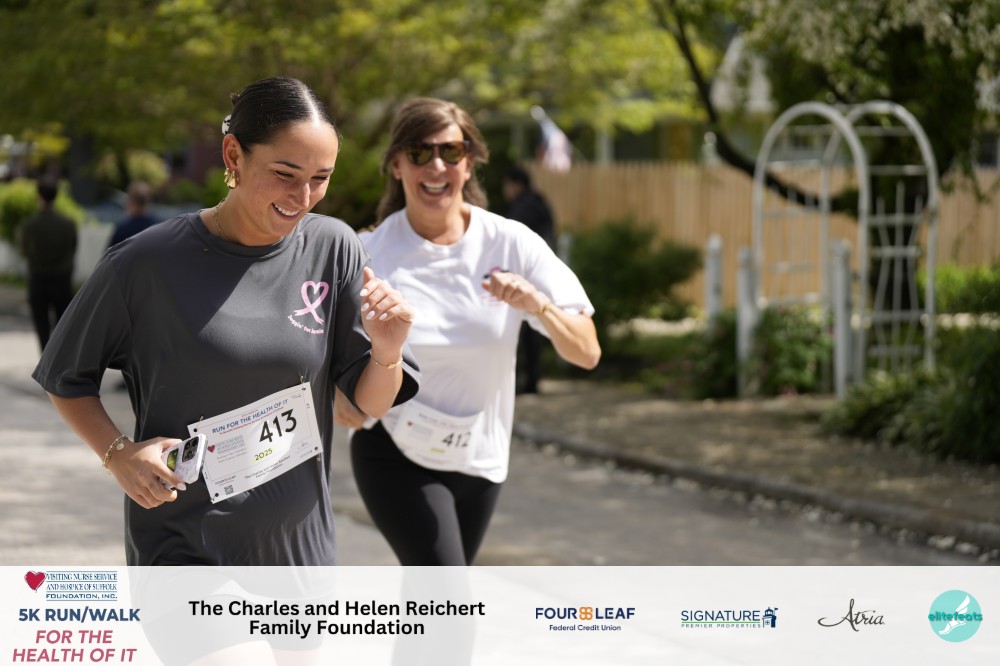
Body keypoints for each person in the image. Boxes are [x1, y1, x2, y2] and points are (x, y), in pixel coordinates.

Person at [32, 76, 418, 570]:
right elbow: (65, 377)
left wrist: (387, 350)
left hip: (299, 549)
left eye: (321, 178)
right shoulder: (145, 263)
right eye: (285, 173)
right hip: (183, 545)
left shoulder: (334, 248)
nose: (303, 196)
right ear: (234, 155)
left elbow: (370, 403)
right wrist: (119, 454)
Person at [335, 97, 600, 566]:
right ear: (396, 165)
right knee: (447, 595)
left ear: (470, 162)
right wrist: (339, 395)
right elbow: (321, 354)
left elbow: (587, 352)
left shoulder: (511, 243)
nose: (436, 166)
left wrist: (537, 305)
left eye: (451, 151)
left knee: (435, 601)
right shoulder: (368, 252)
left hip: (479, 456)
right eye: (419, 152)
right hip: (393, 451)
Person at [502, 165, 556, 394]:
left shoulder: (522, 208)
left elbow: (511, 245)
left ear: (516, 184)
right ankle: (532, 380)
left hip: (525, 276)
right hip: (544, 273)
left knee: (522, 331)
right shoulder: (541, 203)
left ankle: (525, 382)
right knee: (537, 327)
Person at [18, 179, 77, 350]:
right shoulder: (68, 224)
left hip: (39, 279)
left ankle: (46, 357)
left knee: (42, 325)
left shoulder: (30, 224)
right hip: (62, 280)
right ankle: (60, 359)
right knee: (63, 325)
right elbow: (73, 248)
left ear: (39, 196)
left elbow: (25, 251)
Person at [107, 180, 159, 247]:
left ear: (129, 200)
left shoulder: (122, 230)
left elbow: (110, 252)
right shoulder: (158, 227)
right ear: (149, 200)